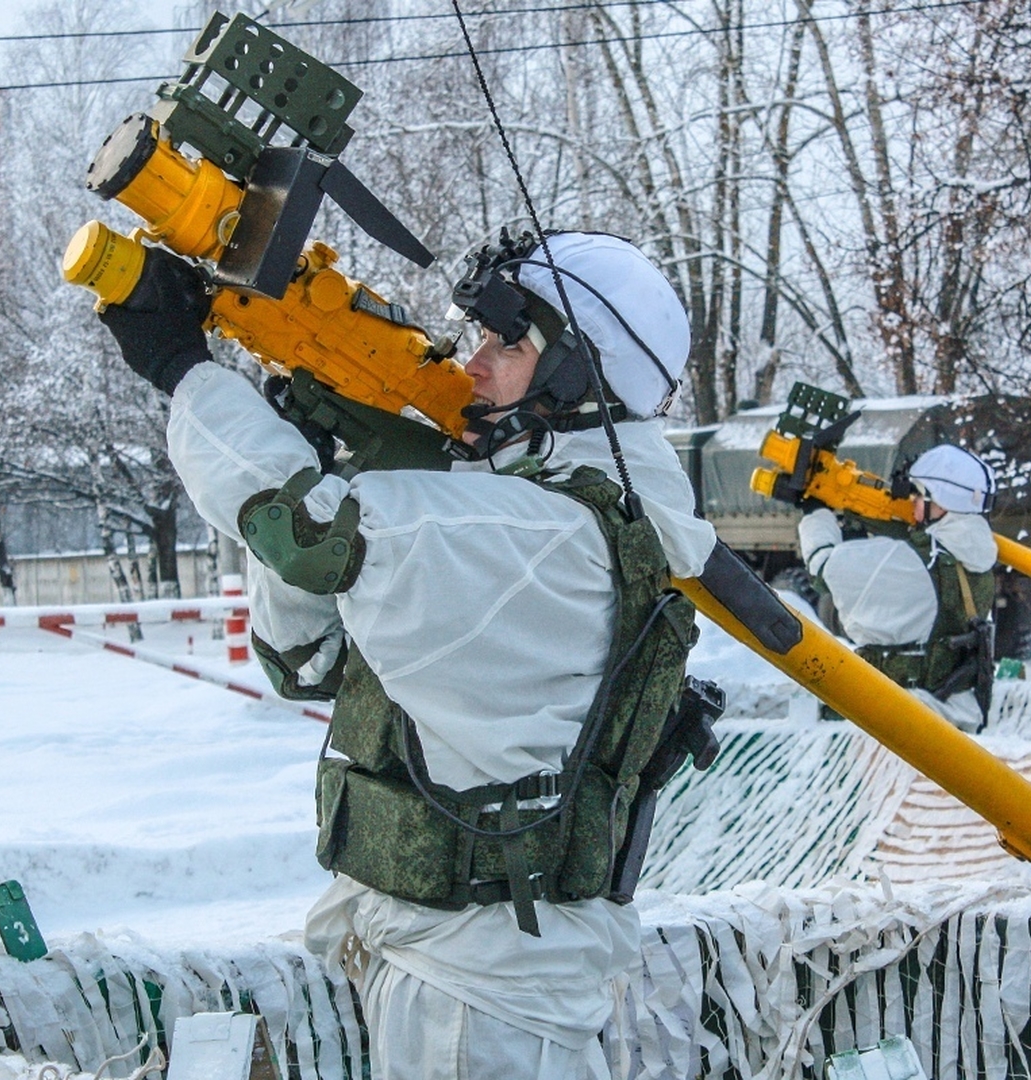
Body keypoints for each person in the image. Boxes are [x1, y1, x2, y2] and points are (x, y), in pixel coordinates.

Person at [98, 228, 717, 1079]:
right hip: (457, 964)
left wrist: (186, 371)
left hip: (486, 996)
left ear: (582, 372)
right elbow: (302, 661)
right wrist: (315, 448)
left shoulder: (553, 533)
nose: (473, 362)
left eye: (508, 342)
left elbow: (312, 533)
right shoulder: (529, 511)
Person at [796, 445, 998, 732]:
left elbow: (822, 568)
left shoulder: (914, 560)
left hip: (903, 718)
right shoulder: (979, 558)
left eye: (918, 496)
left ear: (939, 502)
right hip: (959, 711)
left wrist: (816, 513)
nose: (912, 504)